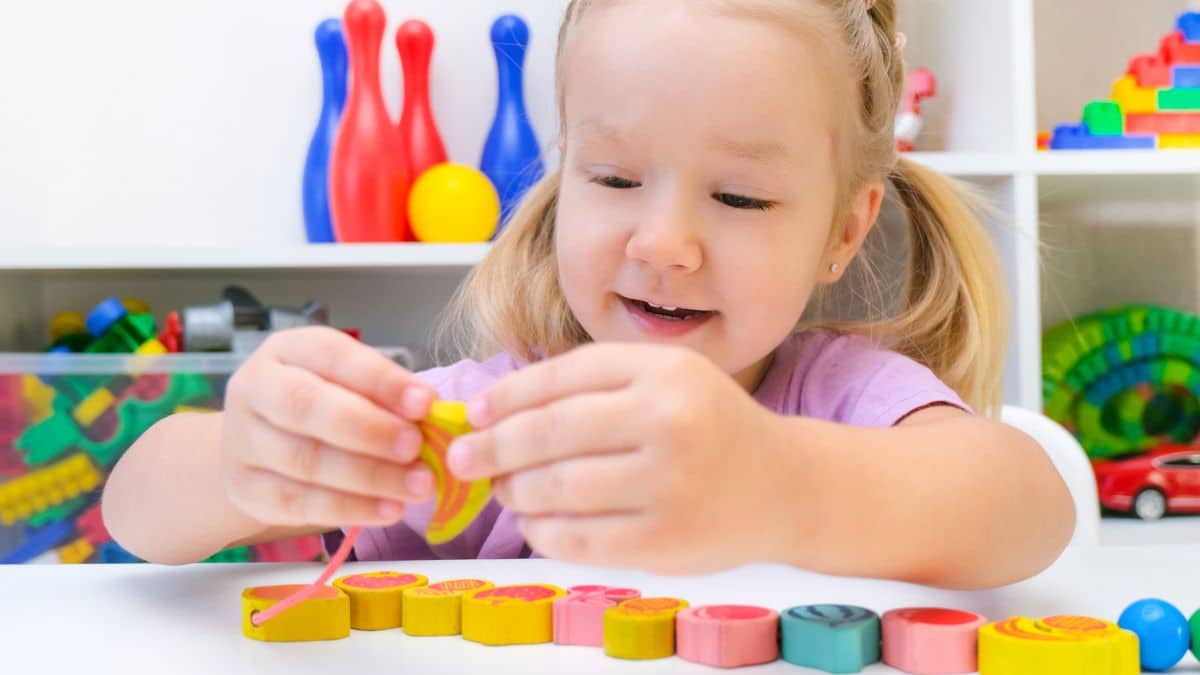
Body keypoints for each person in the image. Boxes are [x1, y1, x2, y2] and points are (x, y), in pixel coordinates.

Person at [103, 0, 1074, 590]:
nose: (664, 243)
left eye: (740, 195)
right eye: (612, 180)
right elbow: (133, 513)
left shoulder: (848, 402)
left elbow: (1032, 509)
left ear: (845, 230)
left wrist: (781, 480)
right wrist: (241, 460)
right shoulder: (492, 417)